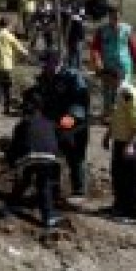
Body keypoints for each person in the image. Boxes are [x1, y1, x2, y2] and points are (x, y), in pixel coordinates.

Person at [33, 50, 91, 200]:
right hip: (53, 124)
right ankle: (53, 188)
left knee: (75, 157)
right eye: (43, 65)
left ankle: (78, 191)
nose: (44, 68)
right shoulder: (44, 78)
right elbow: (41, 99)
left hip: (74, 126)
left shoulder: (73, 77)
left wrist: (65, 125)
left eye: (47, 65)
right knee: (51, 157)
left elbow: (79, 105)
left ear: (57, 63)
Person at [5, 91, 63, 229]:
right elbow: (55, 141)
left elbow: (15, 147)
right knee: (44, 185)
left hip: (29, 156)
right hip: (50, 157)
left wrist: (11, 162)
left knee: (24, 178)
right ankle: (48, 216)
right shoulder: (50, 123)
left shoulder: (22, 125)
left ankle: (12, 204)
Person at [103, 65, 136, 225]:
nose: (105, 82)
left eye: (107, 79)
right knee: (117, 174)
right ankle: (119, 206)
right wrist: (108, 135)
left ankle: (133, 213)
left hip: (131, 141)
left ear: (115, 78)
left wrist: (130, 145)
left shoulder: (129, 94)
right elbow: (116, 117)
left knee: (130, 178)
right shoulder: (118, 93)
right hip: (120, 140)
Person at [90, 7, 136, 118]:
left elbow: (133, 46)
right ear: (109, 17)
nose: (115, 20)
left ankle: (122, 114)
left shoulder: (127, 29)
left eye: (117, 17)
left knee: (123, 89)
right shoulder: (102, 30)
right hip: (108, 64)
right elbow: (95, 47)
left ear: (120, 17)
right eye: (113, 17)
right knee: (107, 90)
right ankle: (107, 113)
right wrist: (97, 61)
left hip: (124, 64)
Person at [0, 17, 30, 115]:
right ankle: (6, 108)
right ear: (7, 25)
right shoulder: (8, 35)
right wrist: (26, 53)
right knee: (6, 87)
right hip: (6, 64)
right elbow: (17, 46)